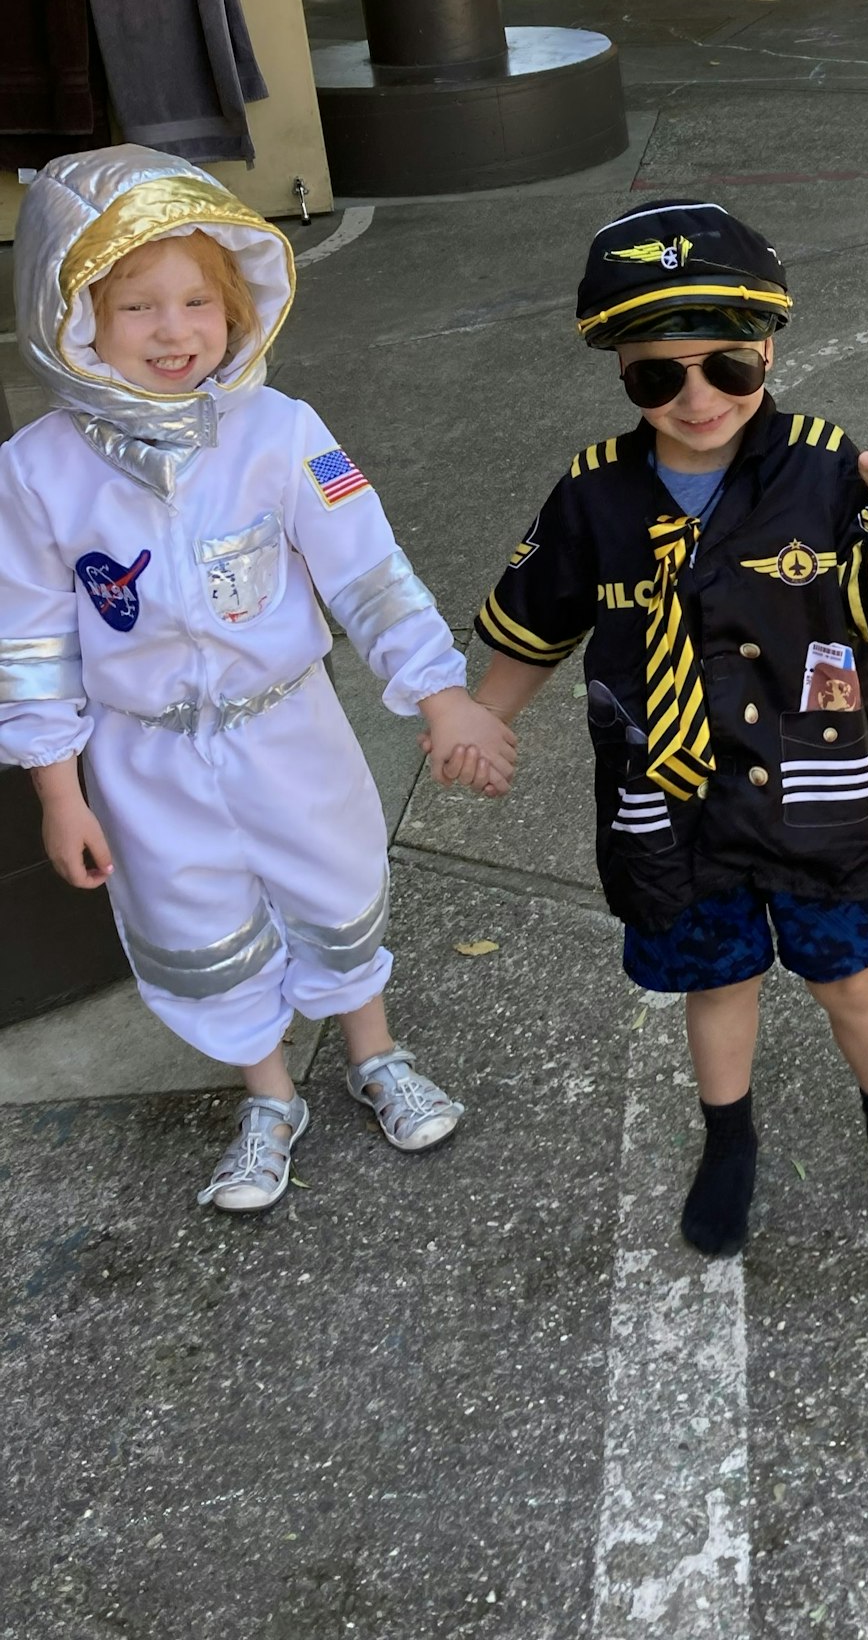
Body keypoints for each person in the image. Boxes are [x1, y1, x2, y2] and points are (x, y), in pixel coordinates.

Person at [0, 146, 516, 1212]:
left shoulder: (281, 433)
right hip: (139, 756)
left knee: (332, 884)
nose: (175, 329)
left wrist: (440, 687)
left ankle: (373, 1052)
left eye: (199, 299)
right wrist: (59, 788)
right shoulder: (38, 468)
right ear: (69, 313)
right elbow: (33, 632)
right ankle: (269, 1093)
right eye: (136, 305)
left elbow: (365, 569)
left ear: (237, 304)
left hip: (289, 731)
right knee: (198, 919)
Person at [469, 199, 868, 1255]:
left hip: (810, 786)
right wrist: (481, 717)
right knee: (715, 978)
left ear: (767, 349)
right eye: (659, 375)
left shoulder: (827, 466)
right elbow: (535, 627)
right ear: (622, 374)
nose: (698, 396)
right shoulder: (592, 495)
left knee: (846, 974)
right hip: (669, 797)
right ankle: (726, 1136)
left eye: (727, 367)